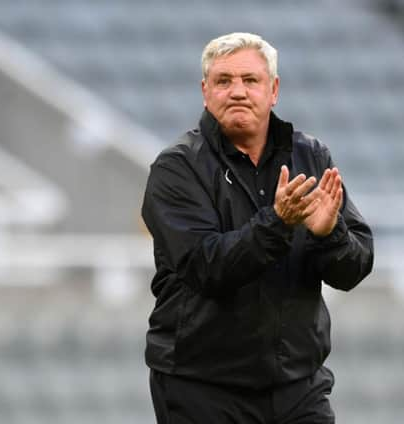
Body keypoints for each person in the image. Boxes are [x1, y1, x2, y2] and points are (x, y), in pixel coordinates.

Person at [141, 32, 374, 424]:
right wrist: (278, 222)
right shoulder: (177, 168)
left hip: (298, 388)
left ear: (274, 90)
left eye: (250, 81)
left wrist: (328, 234)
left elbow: (353, 269)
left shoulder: (311, 156)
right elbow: (207, 267)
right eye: (223, 81)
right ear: (205, 91)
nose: (237, 91)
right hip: (203, 387)